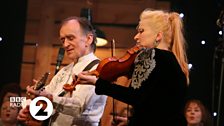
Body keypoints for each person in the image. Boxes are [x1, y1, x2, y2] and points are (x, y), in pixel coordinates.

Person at [77, 8, 189, 126]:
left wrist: (98, 83)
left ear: (158, 36)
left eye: (141, 31)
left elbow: (135, 96)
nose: (136, 37)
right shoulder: (174, 62)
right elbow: (155, 106)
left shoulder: (150, 54)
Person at [17, 16, 107, 126]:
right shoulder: (65, 70)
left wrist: (48, 97)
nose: (65, 45)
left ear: (89, 39)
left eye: (70, 38)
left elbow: (78, 107)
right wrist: (29, 108)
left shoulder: (99, 69)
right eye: (63, 40)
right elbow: (48, 97)